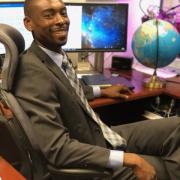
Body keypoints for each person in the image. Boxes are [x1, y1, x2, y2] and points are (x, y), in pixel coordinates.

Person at [13, 0, 180, 179]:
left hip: (100, 134)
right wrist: (128, 159)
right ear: (28, 23)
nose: (61, 20)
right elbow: (57, 148)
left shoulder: (53, 55)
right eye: (49, 15)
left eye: (63, 13)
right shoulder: (32, 72)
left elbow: (67, 91)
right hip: (90, 153)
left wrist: (101, 91)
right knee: (163, 168)